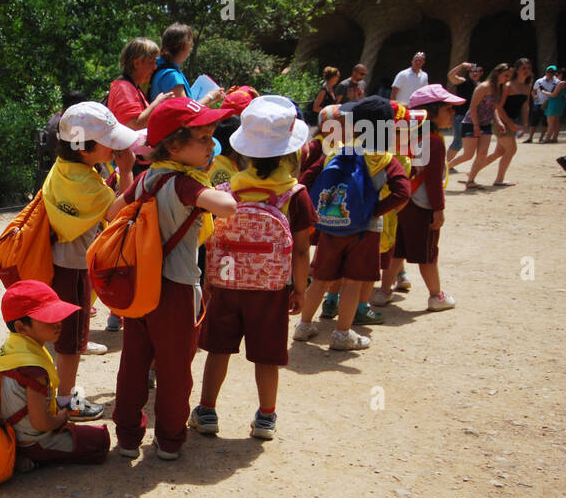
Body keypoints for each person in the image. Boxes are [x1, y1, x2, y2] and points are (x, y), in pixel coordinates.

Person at [109, 98, 238, 461]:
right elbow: (226, 208)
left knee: (134, 361)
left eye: (212, 136)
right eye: (203, 138)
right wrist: (226, 191)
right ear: (174, 146)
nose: (212, 145)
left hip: (139, 287)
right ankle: (168, 439)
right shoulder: (184, 184)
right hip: (177, 288)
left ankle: (128, 437)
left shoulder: (149, 178)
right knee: (175, 367)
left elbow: (112, 211)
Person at [191, 96, 314, 441]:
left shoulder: (227, 192)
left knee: (218, 350)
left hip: (227, 284)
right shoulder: (294, 194)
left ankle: (207, 411)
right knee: (267, 357)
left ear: (243, 152)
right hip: (271, 289)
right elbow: (301, 250)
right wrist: (299, 289)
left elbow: (211, 238)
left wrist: (212, 280)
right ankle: (265, 418)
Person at [293, 96, 412, 351]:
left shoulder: (337, 150)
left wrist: (318, 209)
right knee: (352, 282)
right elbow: (403, 192)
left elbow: (308, 178)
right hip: (364, 231)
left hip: (331, 226)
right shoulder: (384, 159)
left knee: (322, 277)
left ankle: (303, 326)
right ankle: (342, 334)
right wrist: (373, 211)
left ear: (357, 127)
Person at [43, 102, 134, 409]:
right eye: (109, 141)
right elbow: (123, 210)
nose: (116, 146)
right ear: (86, 148)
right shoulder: (87, 184)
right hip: (72, 267)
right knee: (70, 341)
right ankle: (66, 399)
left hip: (55, 263)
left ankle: (57, 393)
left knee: (61, 335)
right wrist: (127, 171)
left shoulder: (65, 168)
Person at [0, 280, 111, 470]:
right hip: (30, 441)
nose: (58, 323)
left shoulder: (10, 350)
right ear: (22, 327)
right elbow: (40, 423)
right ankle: (26, 457)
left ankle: (17, 454)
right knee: (100, 441)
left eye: (58, 316)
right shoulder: (34, 370)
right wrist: (62, 417)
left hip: (9, 430)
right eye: (49, 319)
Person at [379, 85, 462, 312]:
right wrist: (439, 208)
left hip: (402, 203)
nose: (452, 113)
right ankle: (436, 296)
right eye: (448, 108)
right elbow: (434, 180)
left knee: (398, 249)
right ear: (432, 112)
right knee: (428, 253)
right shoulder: (434, 141)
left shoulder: (405, 138)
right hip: (423, 206)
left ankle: (383, 291)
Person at [106, 37, 161, 186]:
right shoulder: (125, 88)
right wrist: (157, 104)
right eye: (151, 62)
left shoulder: (132, 87)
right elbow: (133, 125)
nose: (155, 67)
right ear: (137, 63)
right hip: (127, 167)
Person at [459, 63, 519, 188]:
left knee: (482, 154)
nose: (507, 78)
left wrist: (499, 122)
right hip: (471, 123)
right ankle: (445, 168)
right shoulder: (484, 86)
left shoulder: (499, 88)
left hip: (486, 124)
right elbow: (473, 106)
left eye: (509, 76)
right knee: (468, 155)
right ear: (497, 73)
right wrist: (476, 125)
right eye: (506, 75)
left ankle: (470, 181)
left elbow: (494, 108)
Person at [147, 23, 226, 107]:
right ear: (185, 45)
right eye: (190, 45)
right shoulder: (171, 76)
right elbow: (186, 112)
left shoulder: (160, 66)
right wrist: (210, 97)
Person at [445, 61, 481, 165]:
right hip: (460, 116)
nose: (475, 73)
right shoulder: (463, 82)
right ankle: (447, 165)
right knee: (458, 142)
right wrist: (461, 66)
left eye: (477, 71)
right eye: (472, 71)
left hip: (473, 118)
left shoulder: (480, 86)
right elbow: (450, 76)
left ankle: (449, 165)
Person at [527, 65, 557, 144]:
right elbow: (533, 91)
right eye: (549, 72)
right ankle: (530, 137)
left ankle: (541, 137)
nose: (550, 73)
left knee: (545, 121)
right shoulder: (539, 81)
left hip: (548, 104)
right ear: (546, 72)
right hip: (538, 103)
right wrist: (534, 96)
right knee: (534, 121)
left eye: (552, 72)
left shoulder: (556, 82)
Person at [505, 58, 533, 140]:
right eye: (523, 68)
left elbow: (525, 105)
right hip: (503, 120)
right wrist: (508, 123)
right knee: (511, 149)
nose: (526, 70)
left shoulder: (528, 86)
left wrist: (525, 125)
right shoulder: (508, 85)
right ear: (516, 70)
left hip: (514, 120)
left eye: (529, 68)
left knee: (500, 151)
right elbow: (498, 107)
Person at [542, 67, 566, 144]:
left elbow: (554, 95)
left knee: (550, 122)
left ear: (561, 74)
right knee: (557, 121)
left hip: (555, 103)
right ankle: (554, 138)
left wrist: (544, 92)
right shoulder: (565, 82)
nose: (556, 75)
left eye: (557, 74)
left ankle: (547, 139)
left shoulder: (561, 83)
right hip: (560, 102)